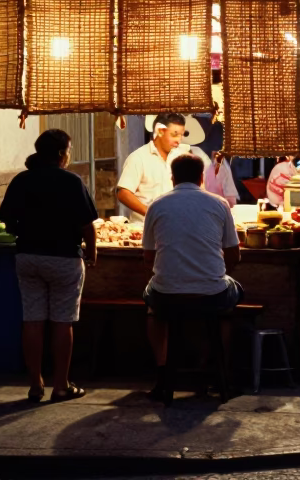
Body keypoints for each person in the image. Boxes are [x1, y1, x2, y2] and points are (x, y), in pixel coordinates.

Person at [0, 129, 98, 402]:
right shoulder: (71, 181)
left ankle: (35, 385)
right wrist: (92, 253)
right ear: (60, 154)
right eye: (68, 150)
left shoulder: (22, 180)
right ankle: (61, 386)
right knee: (62, 322)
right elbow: (87, 225)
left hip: (28, 257)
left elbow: (5, 220)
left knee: (32, 320)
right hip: (64, 258)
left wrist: (26, 232)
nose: (69, 154)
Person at [142, 154, 244, 405]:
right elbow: (234, 254)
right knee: (228, 304)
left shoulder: (156, 205)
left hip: (167, 297)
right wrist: (214, 273)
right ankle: (214, 369)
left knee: (153, 306)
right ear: (201, 178)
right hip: (212, 295)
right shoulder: (219, 204)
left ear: (172, 178)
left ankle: (163, 372)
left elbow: (148, 258)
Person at [116, 112, 193, 222]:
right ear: (160, 132)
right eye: (174, 135)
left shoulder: (183, 157)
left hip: (178, 225)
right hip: (145, 227)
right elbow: (123, 193)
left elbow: (197, 188)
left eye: (181, 135)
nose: (178, 140)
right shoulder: (138, 158)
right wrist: (150, 212)